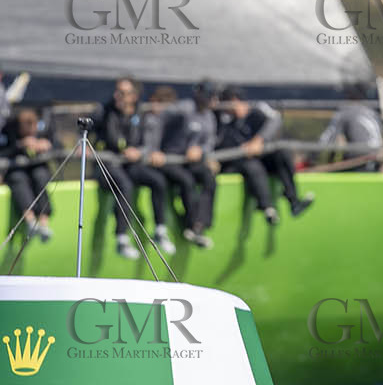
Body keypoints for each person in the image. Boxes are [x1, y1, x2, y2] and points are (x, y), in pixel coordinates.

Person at [98, 77, 174, 260]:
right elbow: (92, 133)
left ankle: (160, 230)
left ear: (134, 96)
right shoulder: (105, 112)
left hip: (132, 164)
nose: (117, 96)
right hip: (110, 165)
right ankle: (122, 238)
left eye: (123, 93)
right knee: (124, 186)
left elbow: (148, 143)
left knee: (158, 181)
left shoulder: (141, 113)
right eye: (117, 92)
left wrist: (139, 152)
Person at [217, 87, 313, 226]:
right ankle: (267, 208)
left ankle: (293, 201)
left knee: (282, 153)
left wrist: (259, 140)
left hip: (264, 157)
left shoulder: (258, 109)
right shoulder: (226, 121)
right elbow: (222, 144)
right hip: (243, 162)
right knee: (253, 166)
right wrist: (244, 149)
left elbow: (276, 119)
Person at [146, 84, 216, 248]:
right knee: (186, 181)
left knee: (208, 178)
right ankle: (191, 224)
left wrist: (201, 150)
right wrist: (154, 150)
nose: (213, 100)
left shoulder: (209, 117)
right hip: (169, 159)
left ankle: (200, 224)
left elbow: (210, 141)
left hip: (190, 162)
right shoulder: (182, 109)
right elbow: (158, 121)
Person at [0, 106, 55, 242]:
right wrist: (20, 145)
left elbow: (58, 145)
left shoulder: (43, 129)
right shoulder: (7, 130)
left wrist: (46, 146)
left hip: (36, 167)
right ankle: (30, 220)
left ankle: (44, 223)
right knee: (18, 179)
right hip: (15, 169)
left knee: (40, 176)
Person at [316, 82, 383, 171]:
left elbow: (326, 140)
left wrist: (309, 156)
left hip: (359, 163)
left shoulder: (346, 110)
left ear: (349, 94)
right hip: (377, 163)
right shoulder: (373, 112)